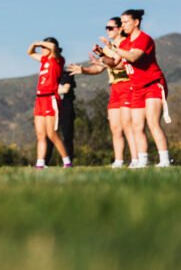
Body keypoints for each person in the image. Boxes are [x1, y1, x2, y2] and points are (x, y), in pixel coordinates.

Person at [102, 9, 170, 167]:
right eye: (122, 22)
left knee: (153, 122)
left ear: (136, 22)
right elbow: (116, 63)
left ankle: (165, 160)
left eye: (125, 22)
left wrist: (112, 47)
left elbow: (133, 57)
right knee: (136, 125)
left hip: (153, 83)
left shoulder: (144, 39)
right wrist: (102, 55)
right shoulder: (125, 43)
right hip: (137, 87)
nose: (123, 25)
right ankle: (142, 161)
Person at [67, 17, 137, 168]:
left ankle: (136, 159)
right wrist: (83, 70)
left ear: (120, 29)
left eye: (110, 28)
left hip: (128, 85)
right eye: (106, 28)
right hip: (115, 88)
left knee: (128, 125)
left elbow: (121, 66)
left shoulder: (127, 45)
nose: (107, 31)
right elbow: (99, 68)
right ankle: (118, 160)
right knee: (115, 127)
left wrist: (103, 59)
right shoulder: (106, 49)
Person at [26, 39, 72, 169]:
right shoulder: (44, 60)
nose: (42, 49)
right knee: (40, 134)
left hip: (50, 98)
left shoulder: (58, 60)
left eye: (43, 47)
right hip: (40, 99)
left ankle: (67, 161)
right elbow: (29, 53)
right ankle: (40, 163)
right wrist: (35, 44)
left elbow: (52, 46)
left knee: (52, 133)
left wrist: (41, 42)